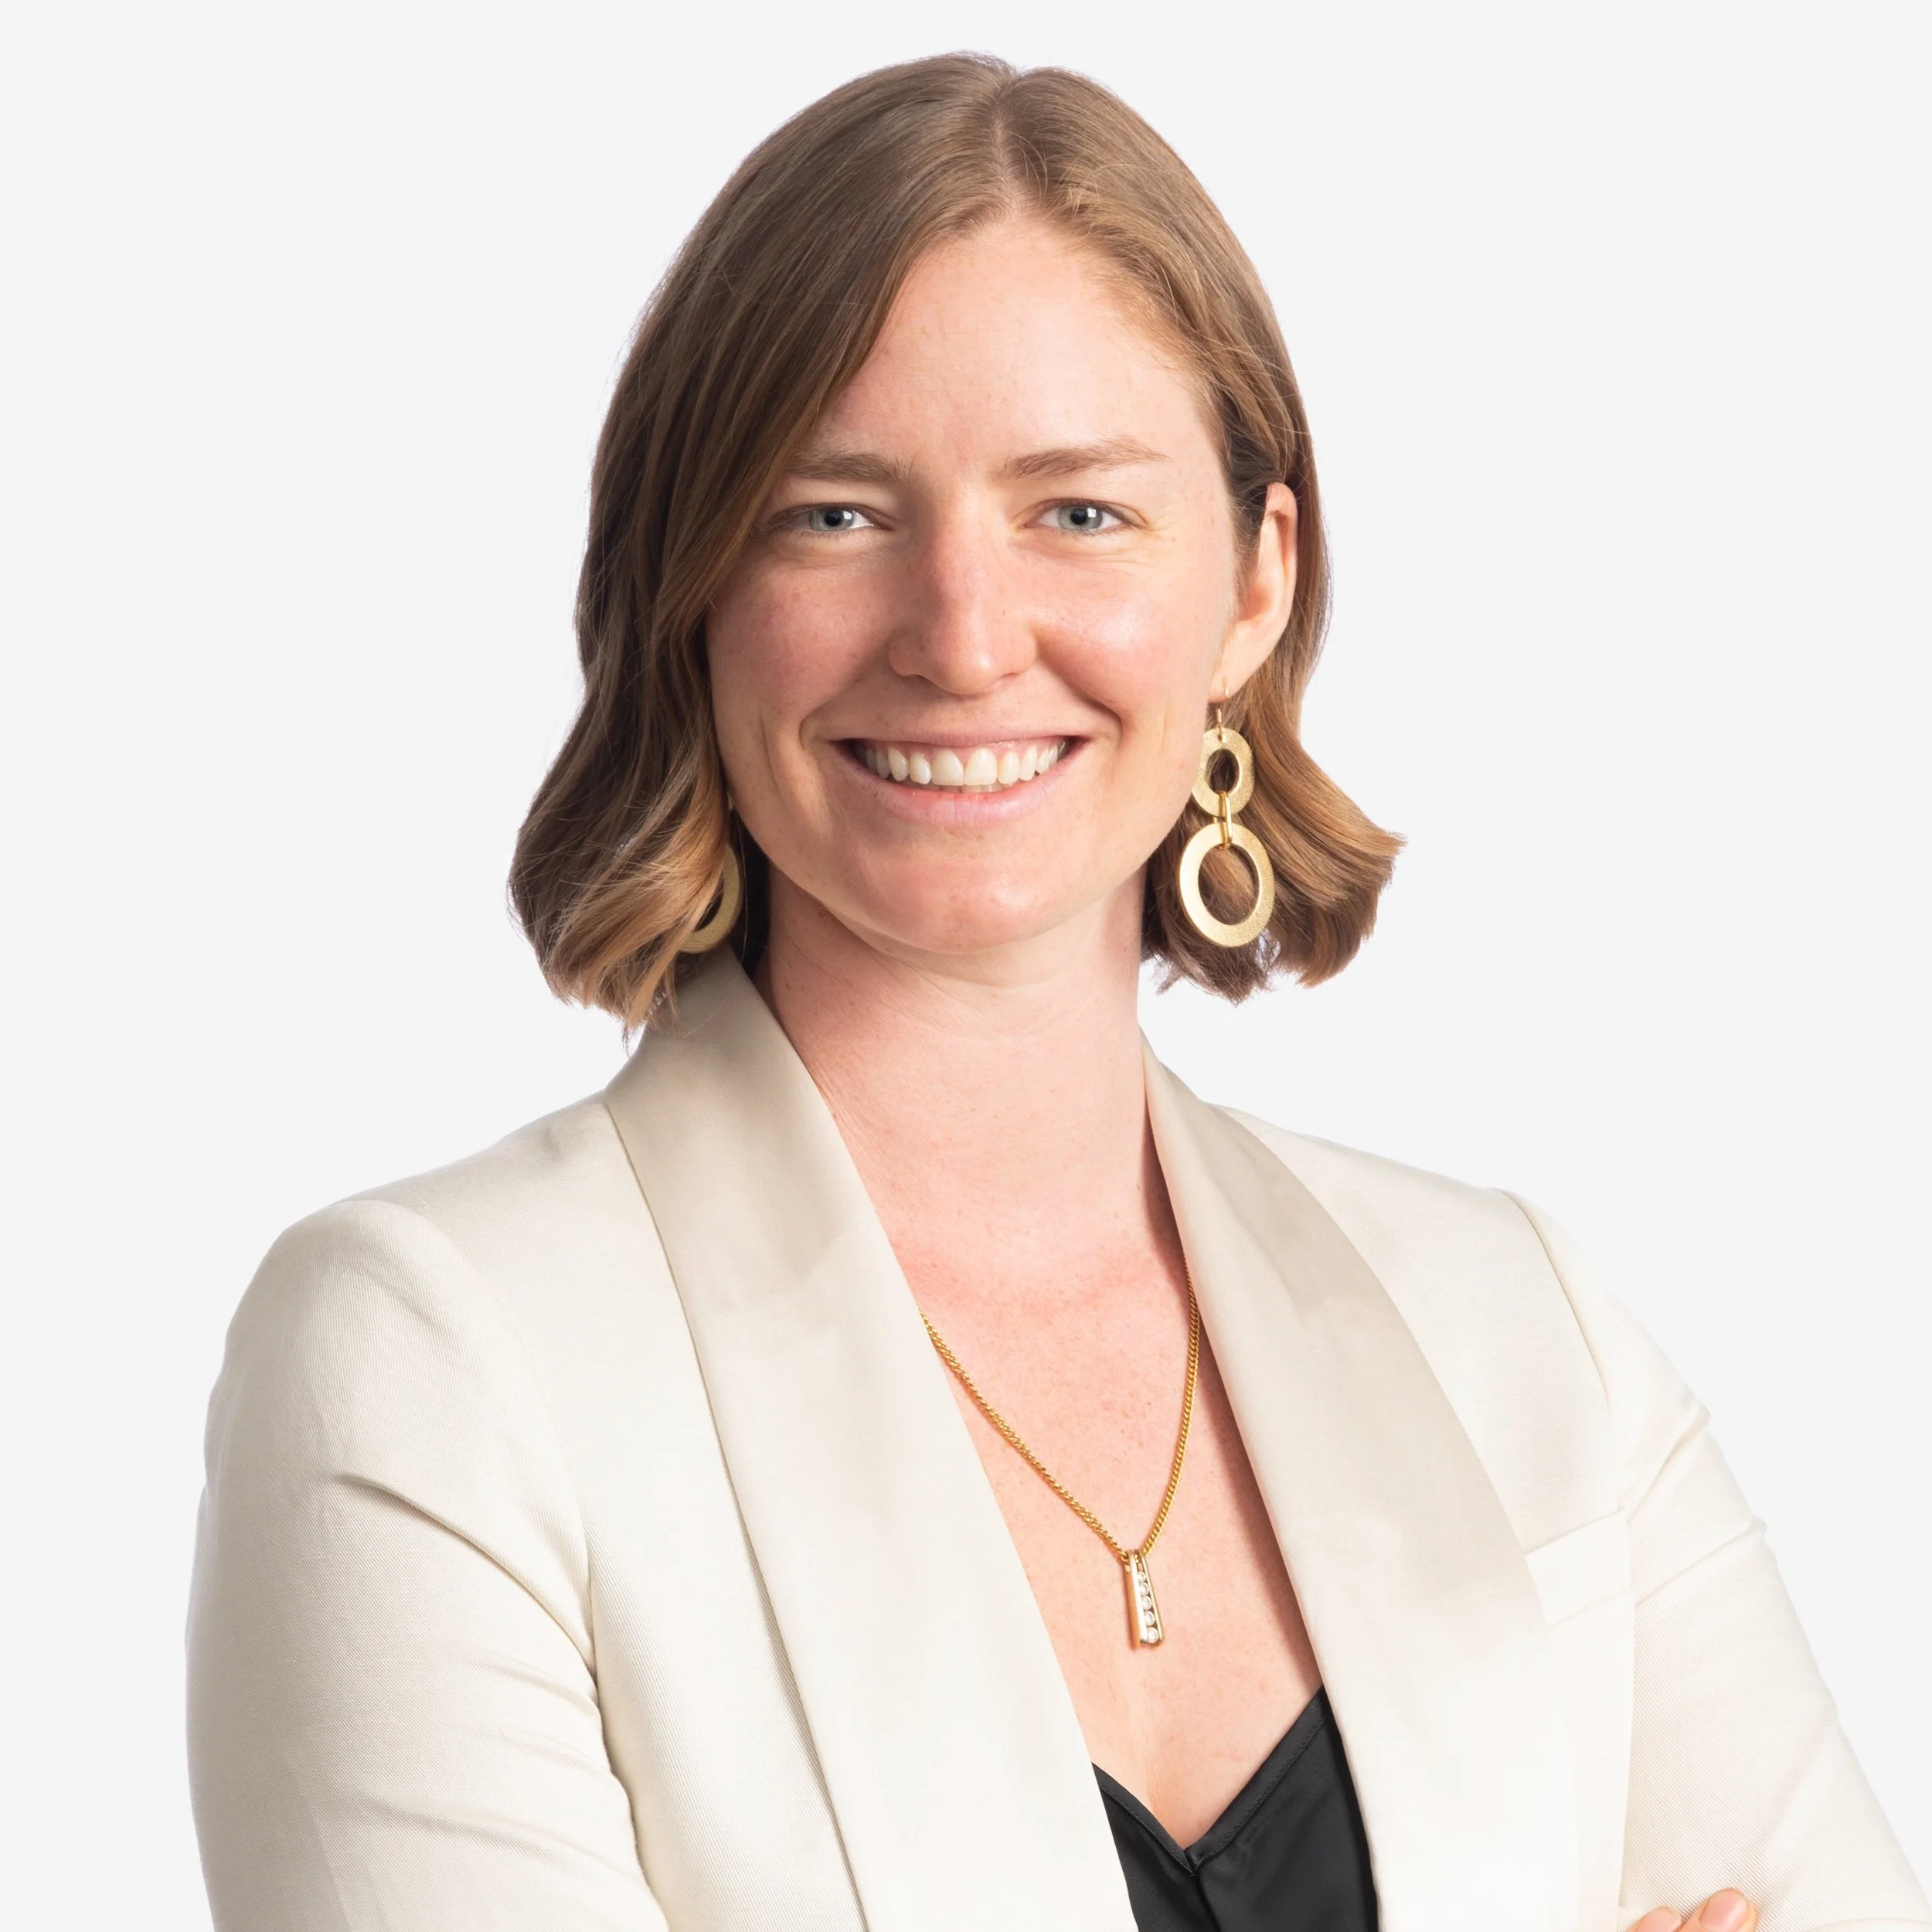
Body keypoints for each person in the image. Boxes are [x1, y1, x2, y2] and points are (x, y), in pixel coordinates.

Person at [185, 53, 1926, 1932]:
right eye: (830, 513)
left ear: (1253, 581)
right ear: (689, 588)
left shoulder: (1526, 1335)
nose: (958, 630)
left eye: (1077, 512)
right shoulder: (428, 1364)